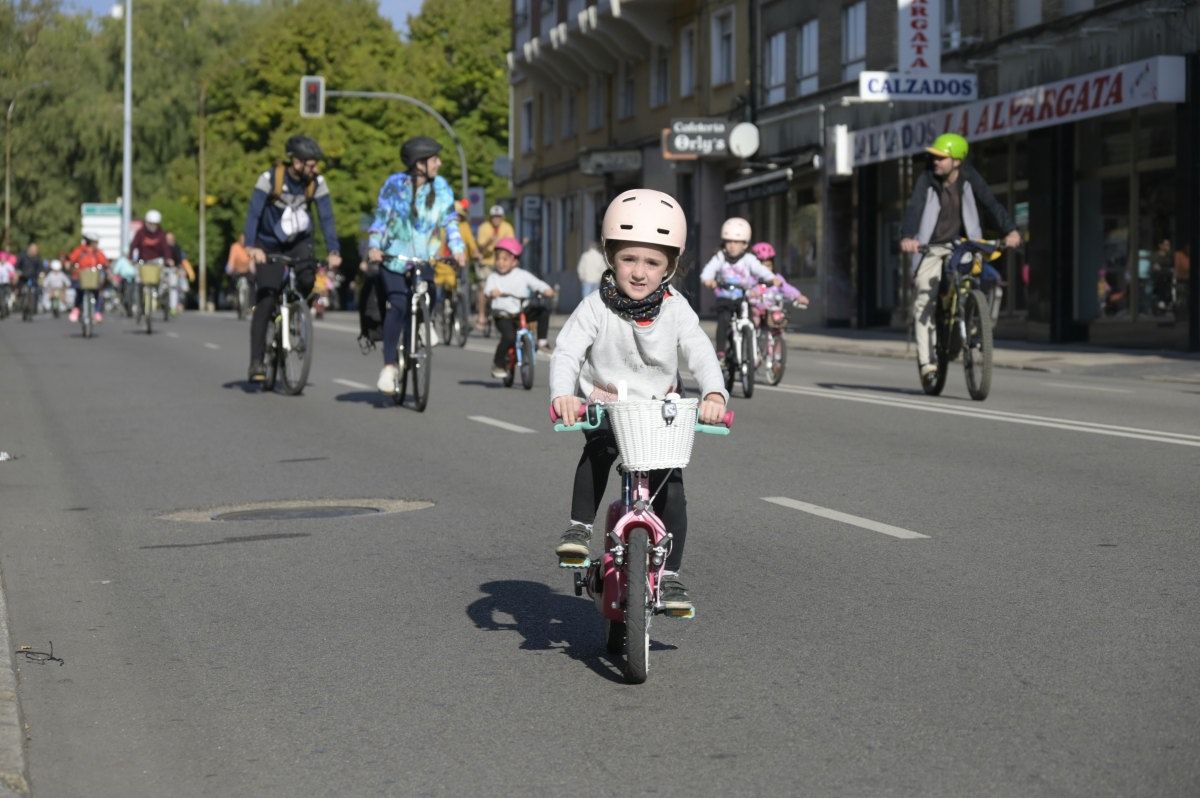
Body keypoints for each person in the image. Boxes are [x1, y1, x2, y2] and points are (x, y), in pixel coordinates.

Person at [549, 188, 728, 614]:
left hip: (658, 411)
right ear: (611, 256)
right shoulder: (595, 307)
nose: (639, 272)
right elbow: (568, 351)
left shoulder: (677, 308)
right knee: (597, 449)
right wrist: (564, 396)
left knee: (674, 487)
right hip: (606, 402)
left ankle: (670, 576)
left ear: (670, 266)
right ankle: (578, 529)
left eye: (652, 262)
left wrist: (715, 393)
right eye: (629, 259)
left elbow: (701, 351)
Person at [899, 133, 1021, 386]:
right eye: (934, 157)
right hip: (930, 247)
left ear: (956, 160)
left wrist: (1010, 230)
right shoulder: (927, 180)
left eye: (941, 158)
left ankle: (974, 323)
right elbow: (914, 208)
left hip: (963, 245)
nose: (936, 162)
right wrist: (908, 236)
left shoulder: (969, 178)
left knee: (981, 281)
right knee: (925, 298)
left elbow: (990, 203)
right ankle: (927, 363)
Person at [366, 134, 466, 393]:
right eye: (434, 159)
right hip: (394, 258)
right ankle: (389, 367)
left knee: (429, 294)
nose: (439, 163)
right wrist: (375, 246)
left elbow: (450, 221)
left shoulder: (442, 187)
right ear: (418, 163)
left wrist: (458, 249)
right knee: (398, 304)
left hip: (423, 257)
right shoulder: (394, 185)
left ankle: (423, 323)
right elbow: (380, 218)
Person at [243, 134, 342, 381]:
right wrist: (252, 246)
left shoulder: (317, 182)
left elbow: (326, 217)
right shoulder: (269, 179)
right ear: (296, 162)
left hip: (299, 243)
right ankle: (257, 362)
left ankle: (297, 313)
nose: (315, 168)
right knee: (266, 298)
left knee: (309, 278)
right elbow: (254, 213)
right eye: (310, 164)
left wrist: (333, 250)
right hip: (269, 244)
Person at [700, 217, 780, 357]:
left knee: (749, 321)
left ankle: (748, 350)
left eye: (737, 242)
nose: (732, 245)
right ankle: (721, 351)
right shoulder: (720, 257)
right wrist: (708, 280)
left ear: (745, 244)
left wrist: (772, 278)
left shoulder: (748, 259)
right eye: (729, 241)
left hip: (743, 297)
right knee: (724, 320)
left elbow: (760, 270)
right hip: (725, 297)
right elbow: (708, 272)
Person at [485, 237, 555, 378]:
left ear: (514, 261)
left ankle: (542, 341)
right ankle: (498, 363)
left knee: (542, 311)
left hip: (521, 311)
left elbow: (537, 284)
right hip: (503, 315)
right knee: (509, 336)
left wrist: (547, 290)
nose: (501, 263)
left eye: (505, 259)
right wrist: (492, 292)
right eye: (498, 259)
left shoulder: (523, 275)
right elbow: (487, 291)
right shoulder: (493, 277)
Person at [474, 204, 515, 329]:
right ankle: (481, 316)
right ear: (490, 218)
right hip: (487, 262)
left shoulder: (507, 227)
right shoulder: (484, 227)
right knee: (483, 287)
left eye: (498, 217)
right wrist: (489, 241)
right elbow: (480, 246)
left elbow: (511, 245)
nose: (496, 219)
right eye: (493, 217)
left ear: (502, 218)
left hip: (502, 263)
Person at [748, 241, 808, 314]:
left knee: (780, 318)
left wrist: (798, 296)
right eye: (762, 267)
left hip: (773, 310)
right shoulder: (752, 278)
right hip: (756, 309)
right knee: (755, 316)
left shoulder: (776, 278)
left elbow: (786, 287)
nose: (766, 270)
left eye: (769, 265)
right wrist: (752, 293)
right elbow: (746, 288)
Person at [66, 232, 109, 323]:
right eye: (95, 242)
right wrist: (72, 267)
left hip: (94, 277)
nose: (96, 244)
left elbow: (104, 261)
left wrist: (105, 265)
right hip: (82, 276)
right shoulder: (80, 250)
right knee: (79, 292)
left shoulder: (98, 252)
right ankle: (76, 309)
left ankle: (97, 312)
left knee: (98, 293)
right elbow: (72, 259)